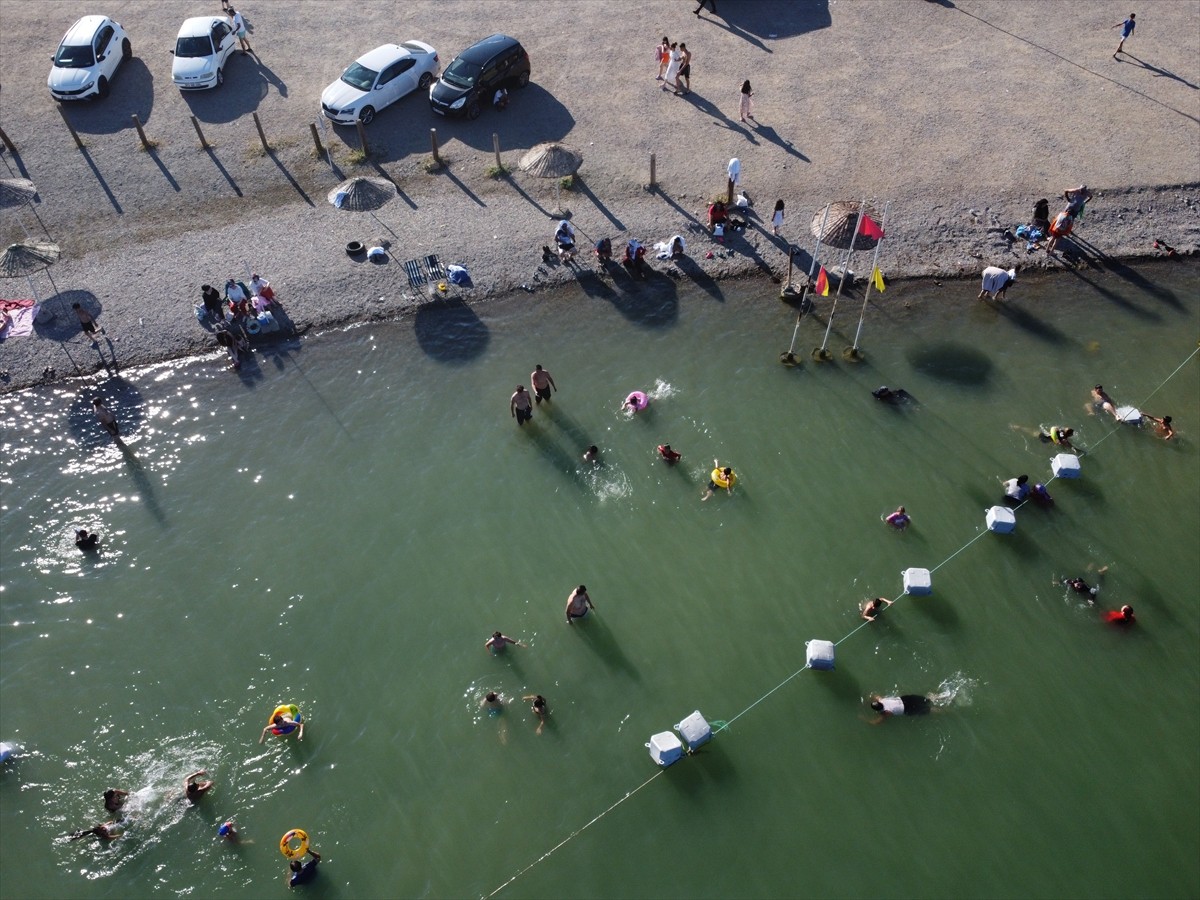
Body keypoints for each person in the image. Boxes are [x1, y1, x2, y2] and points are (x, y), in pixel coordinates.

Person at [867, 693, 936, 723]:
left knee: (929, 710)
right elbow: (875, 696)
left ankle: (944, 710)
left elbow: (878, 722)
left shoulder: (886, 712)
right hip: (906, 699)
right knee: (927, 699)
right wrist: (870, 698)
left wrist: (867, 721)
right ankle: (942, 696)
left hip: (907, 709)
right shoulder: (881, 700)